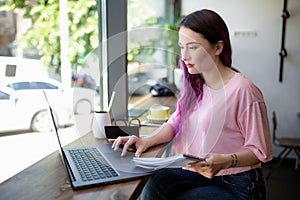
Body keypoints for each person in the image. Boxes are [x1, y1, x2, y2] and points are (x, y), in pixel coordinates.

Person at [110, 9, 272, 200]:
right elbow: (175, 122)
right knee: (154, 185)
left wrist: (226, 161)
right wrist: (146, 141)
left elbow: (261, 152)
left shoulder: (244, 90)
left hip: (238, 184)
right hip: (200, 173)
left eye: (193, 47)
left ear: (218, 48)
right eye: (181, 47)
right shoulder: (196, 84)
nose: (184, 56)